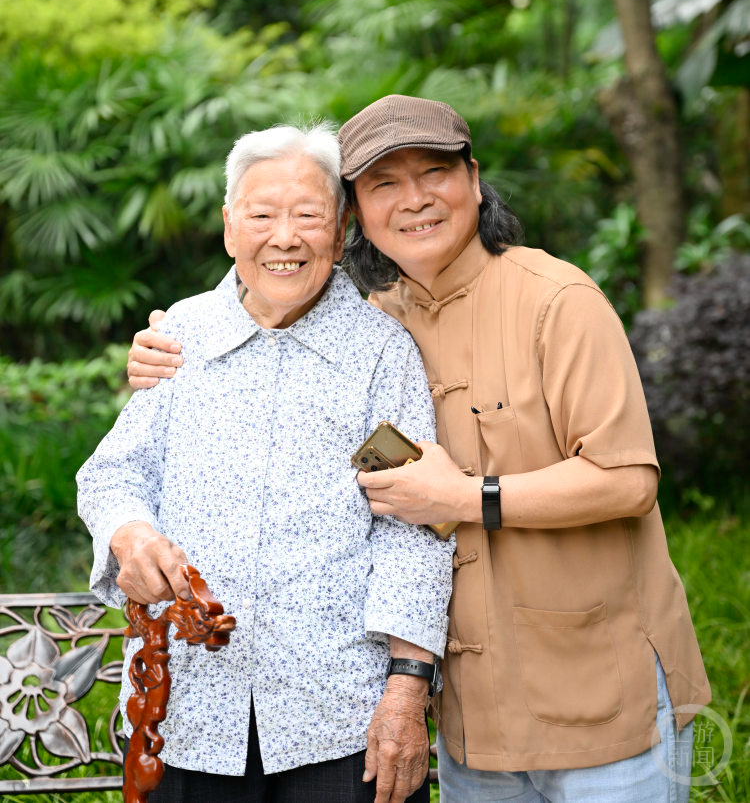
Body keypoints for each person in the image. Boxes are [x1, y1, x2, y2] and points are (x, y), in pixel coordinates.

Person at [128, 96, 711, 803]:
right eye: (383, 185)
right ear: (358, 218)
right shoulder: (377, 330)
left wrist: (469, 498)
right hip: (478, 714)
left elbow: (627, 482)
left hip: (601, 692)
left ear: (473, 178)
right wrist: (165, 348)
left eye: (434, 172)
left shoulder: (557, 301)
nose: (414, 200)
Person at [78, 123, 454, 803]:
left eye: (307, 216)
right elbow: (113, 474)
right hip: (187, 713)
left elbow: (411, 526)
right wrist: (128, 533)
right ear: (229, 227)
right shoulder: (180, 338)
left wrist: (406, 688)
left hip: (340, 717)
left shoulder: (380, 354)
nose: (285, 238)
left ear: (339, 233)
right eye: (262, 215)